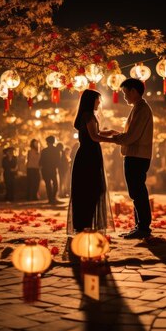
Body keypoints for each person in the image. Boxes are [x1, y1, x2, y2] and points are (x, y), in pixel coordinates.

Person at [67, 89, 118, 237]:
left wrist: (108, 133)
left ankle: (84, 223)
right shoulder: (88, 115)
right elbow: (94, 137)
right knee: (92, 189)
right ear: (91, 100)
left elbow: (94, 133)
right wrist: (114, 140)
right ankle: (85, 223)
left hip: (88, 154)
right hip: (89, 156)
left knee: (88, 189)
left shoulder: (87, 115)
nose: (99, 102)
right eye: (97, 99)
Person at [112, 78, 154, 239]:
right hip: (135, 155)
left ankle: (143, 227)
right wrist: (115, 135)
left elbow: (131, 137)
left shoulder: (142, 109)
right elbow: (130, 135)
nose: (124, 97)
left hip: (137, 156)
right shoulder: (138, 108)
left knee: (137, 192)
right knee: (136, 192)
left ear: (134, 91)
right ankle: (140, 226)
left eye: (125, 93)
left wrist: (112, 138)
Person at [39, 136, 61, 205]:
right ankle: (53, 198)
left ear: (47, 142)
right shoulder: (56, 150)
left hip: (45, 169)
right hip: (53, 169)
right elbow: (58, 160)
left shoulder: (44, 151)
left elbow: (41, 161)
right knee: (55, 184)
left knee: (48, 185)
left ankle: (50, 199)